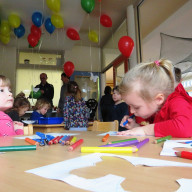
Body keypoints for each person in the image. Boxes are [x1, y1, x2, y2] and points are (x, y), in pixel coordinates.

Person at [118, 59, 192, 138]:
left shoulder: (178, 102)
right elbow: (160, 131)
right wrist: (136, 127)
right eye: (130, 106)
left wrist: (145, 130)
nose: (131, 111)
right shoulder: (158, 108)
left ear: (158, 99)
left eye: (136, 107)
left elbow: (185, 128)